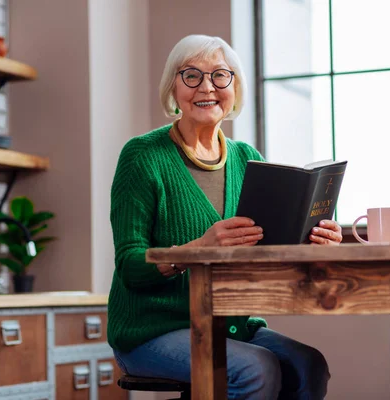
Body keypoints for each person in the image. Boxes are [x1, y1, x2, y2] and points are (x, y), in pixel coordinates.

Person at [108, 34, 340, 399]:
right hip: (151, 330)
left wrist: (313, 239)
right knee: (257, 368)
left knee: (308, 365)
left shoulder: (248, 157)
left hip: (233, 326)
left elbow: (264, 250)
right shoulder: (142, 156)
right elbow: (129, 265)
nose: (207, 87)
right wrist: (198, 248)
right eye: (191, 75)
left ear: (235, 86)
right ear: (173, 86)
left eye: (220, 75)